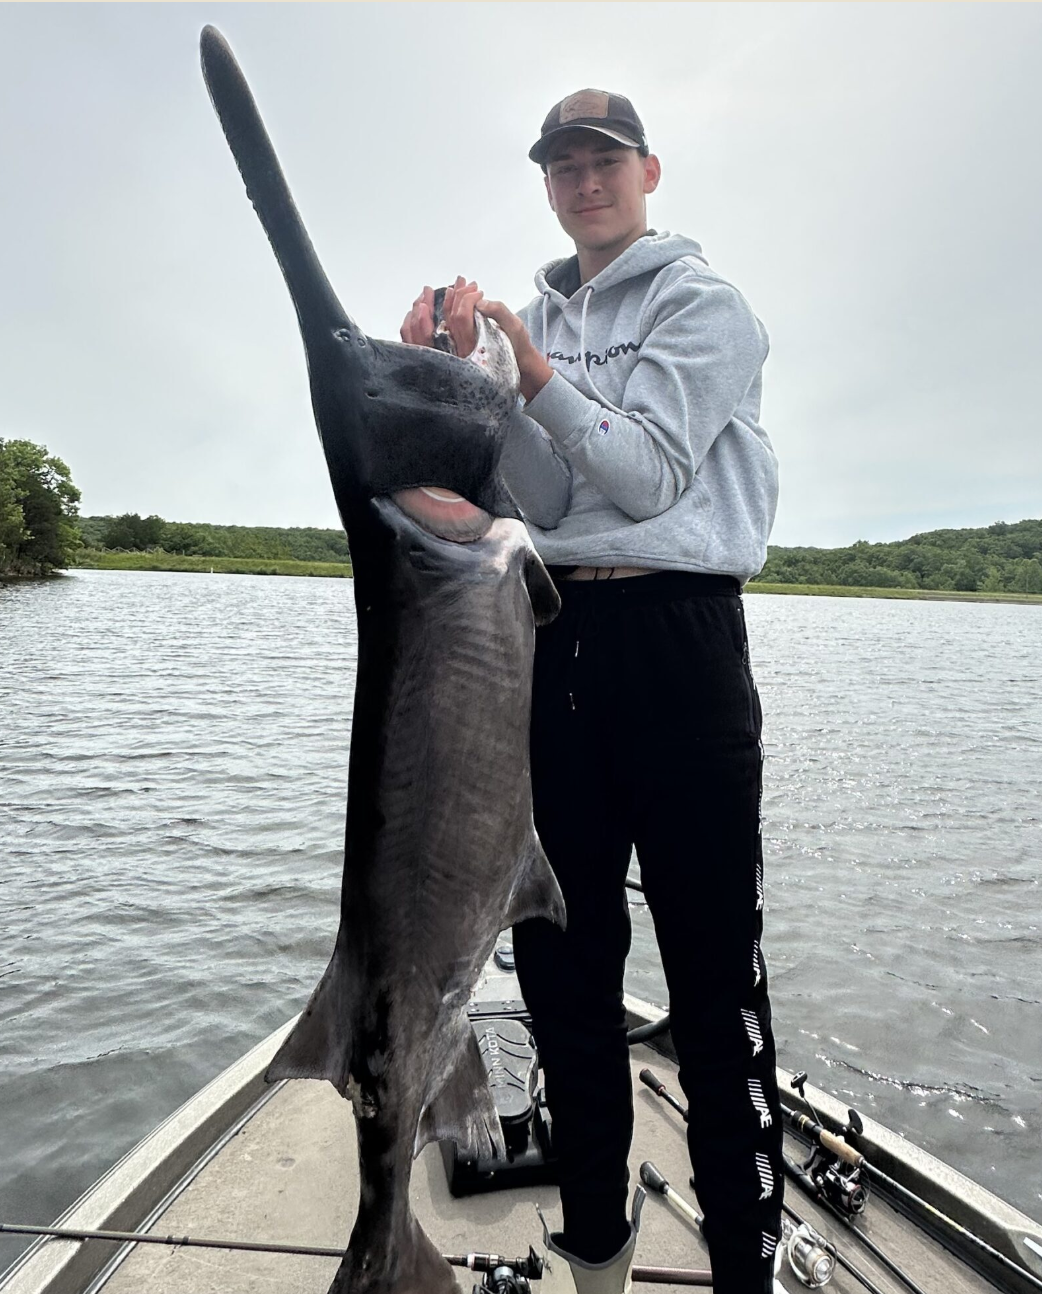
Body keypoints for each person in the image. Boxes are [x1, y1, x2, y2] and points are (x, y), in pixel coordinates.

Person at [400, 89, 783, 1293]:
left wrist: (535, 378)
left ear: (648, 170)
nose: (581, 183)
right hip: (549, 638)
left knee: (715, 987)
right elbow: (552, 502)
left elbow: (650, 467)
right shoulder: (543, 311)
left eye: (601, 161)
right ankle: (597, 1264)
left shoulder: (703, 305)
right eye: (561, 167)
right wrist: (451, 382)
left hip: (680, 641)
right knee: (565, 973)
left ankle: (740, 1266)